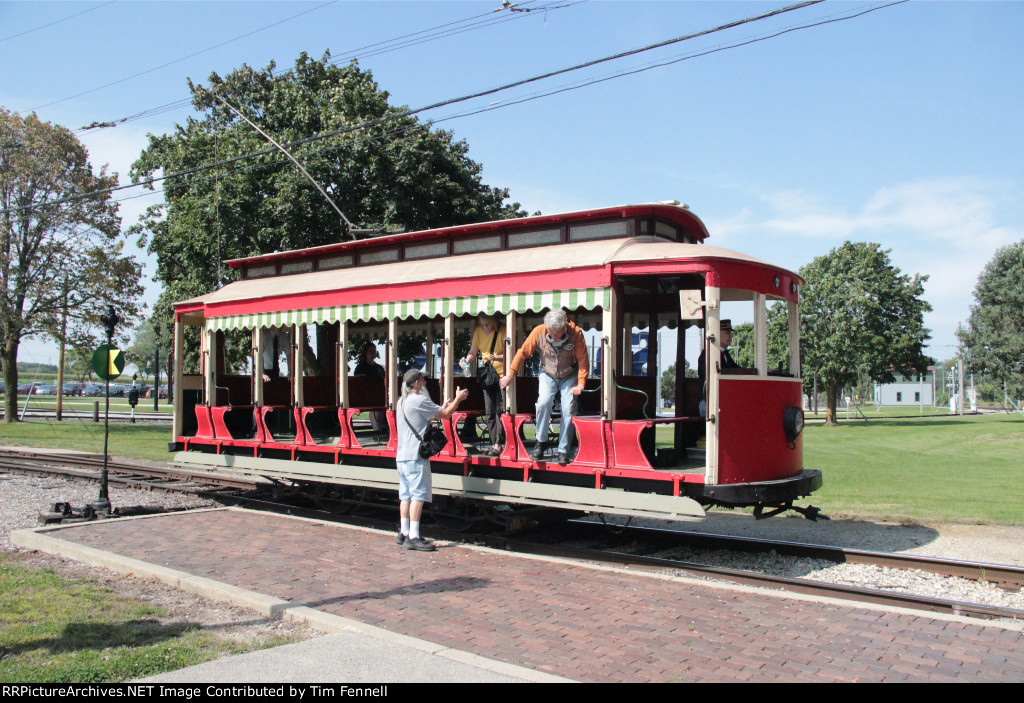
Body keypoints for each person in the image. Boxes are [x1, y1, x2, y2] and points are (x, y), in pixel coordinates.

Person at [499, 309, 588, 466]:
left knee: (569, 408)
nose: (555, 336)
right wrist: (510, 374)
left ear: (564, 327)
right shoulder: (539, 331)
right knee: (543, 402)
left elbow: (583, 360)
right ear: (546, 326)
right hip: (547, 373)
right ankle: (541, 441)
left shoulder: (576, 333)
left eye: (558, 333)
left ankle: (563, 450)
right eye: (552, 333)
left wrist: (581, 384)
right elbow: (523, 353)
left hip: (569, 374)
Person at [396, 369, 469, 551]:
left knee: (405, 496)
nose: (426, 382)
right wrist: (458, 398)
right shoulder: (418, 400)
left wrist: (442, 406)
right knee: (418, 496)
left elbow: (435, 411)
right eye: (423, 379)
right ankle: (413, 536)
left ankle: (403, 532)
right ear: (417, 383)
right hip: (415, 456)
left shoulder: (401, 402)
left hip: (402, 456)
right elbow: (445, 415)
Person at [462, 313, 506, 456]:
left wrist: (497, 357)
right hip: (488, 376)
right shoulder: (479, 331)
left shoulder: (504, 330)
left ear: (493, 322)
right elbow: (473, 352)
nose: (484, 327)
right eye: (482, 324)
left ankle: (499, 443)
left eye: (487, 324)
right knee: (489, 411)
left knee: (500, 410)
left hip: (502, 376)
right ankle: (494, 443)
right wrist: (466, 360)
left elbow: (511, 354)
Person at [697, 319, 738, 417]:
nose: (731, 336)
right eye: (728, 332)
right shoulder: (707, 354)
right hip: (708, 402)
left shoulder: (725, 355)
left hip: (722, 400)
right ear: (717, 334)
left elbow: (738, 370)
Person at [354, 342, 387, 439]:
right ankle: (378, 432)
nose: (373, 353)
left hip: (379, 395)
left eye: (375, 351)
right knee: (376, 407)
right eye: (371, 351)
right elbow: (359, 383)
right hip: (366, 397)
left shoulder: (379, 368)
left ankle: (386, 430)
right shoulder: (361, 367)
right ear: (366, 353)